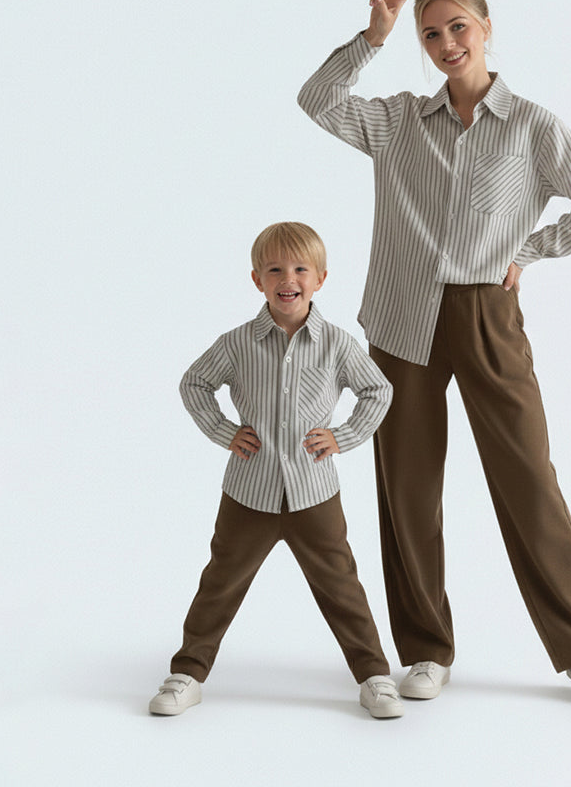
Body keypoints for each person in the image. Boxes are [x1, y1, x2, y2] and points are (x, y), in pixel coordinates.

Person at [297, 0, 571, 712]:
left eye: (459, 27)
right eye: (431, 33)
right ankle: (423, 648)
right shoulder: (395, 122)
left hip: (487, 314)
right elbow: (316, 100)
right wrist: (372, 38)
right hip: (400, 319)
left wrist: (531, 251)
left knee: (529, 482)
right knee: (407, 488)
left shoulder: (533, 126)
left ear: (485, 29)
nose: (446, 42)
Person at [148, 221, 403, 719]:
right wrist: (225, 432)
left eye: (300, 269)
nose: (289, 278)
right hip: (250, 491)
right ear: (257, 280)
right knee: (220, 581)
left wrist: (344, 436)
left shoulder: (337, 343)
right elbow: (194, 383)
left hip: (314, 492)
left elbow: (379, 390)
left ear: (320, 279)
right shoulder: (238, 343)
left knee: (342, 586)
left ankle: (374, 676)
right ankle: (187, 673)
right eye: (275, 269)